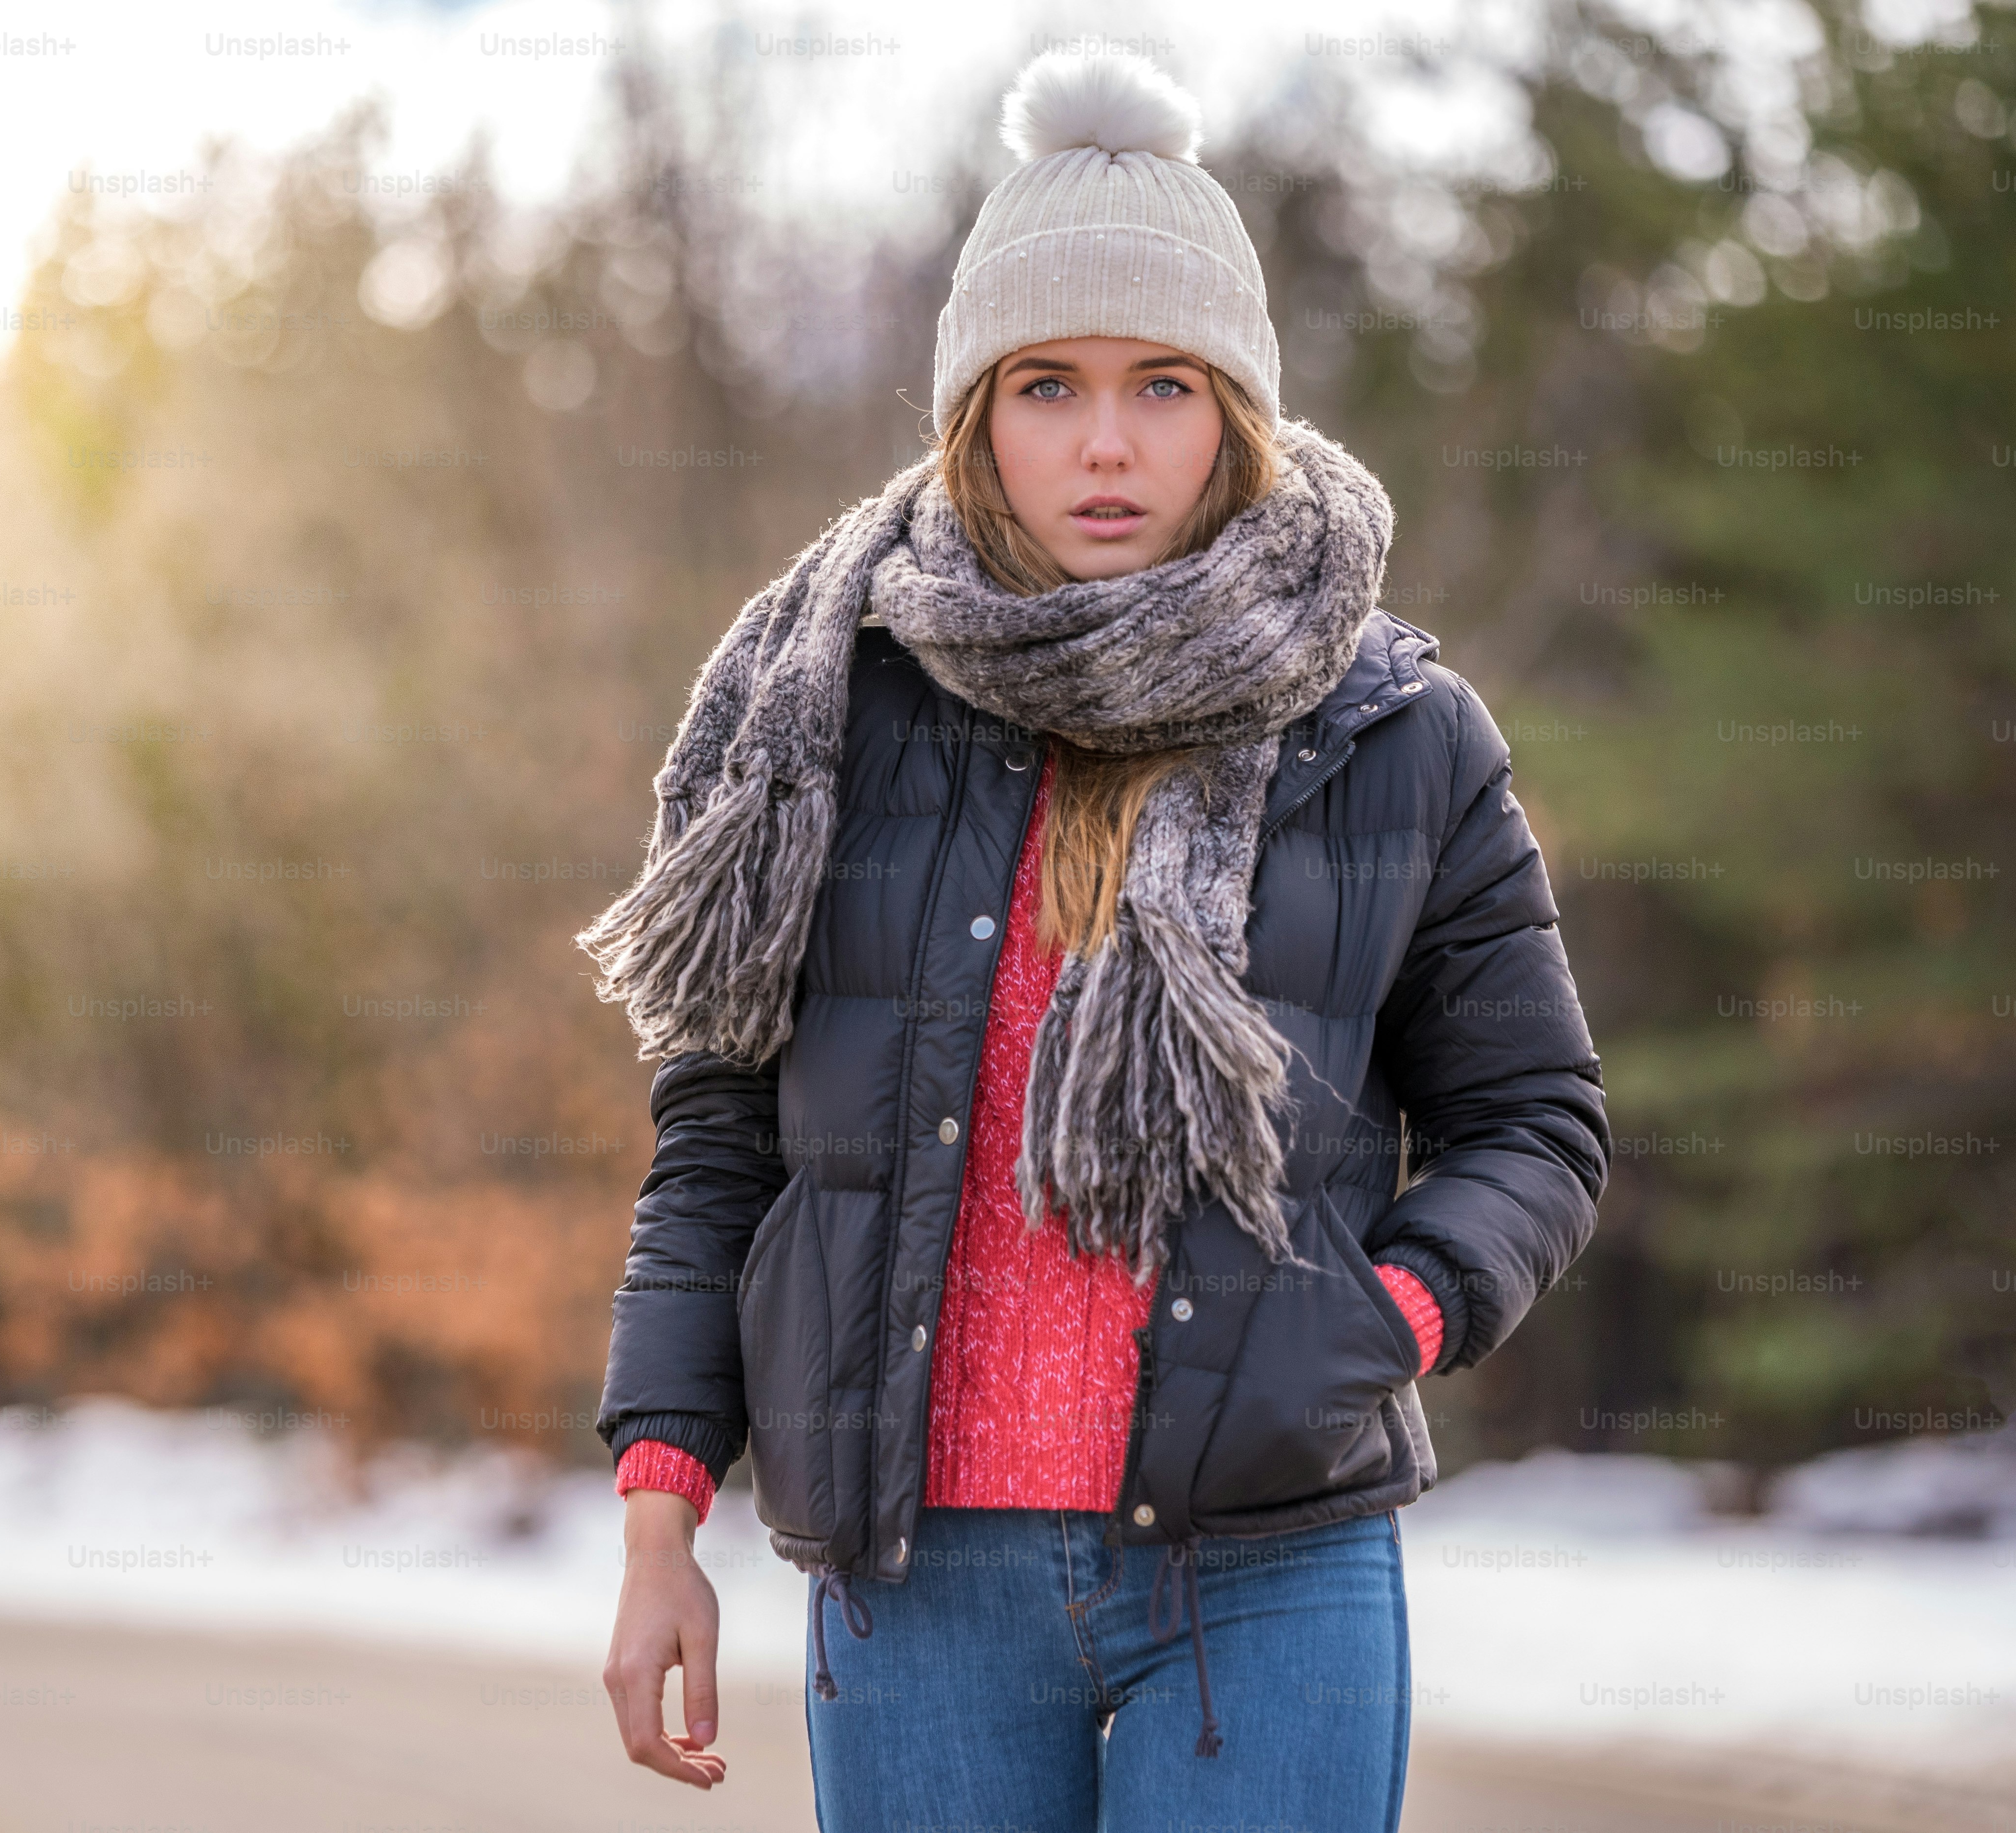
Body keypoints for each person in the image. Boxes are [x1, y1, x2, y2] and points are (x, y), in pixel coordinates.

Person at [576, 48, 1609, 1833]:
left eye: (1164, 386)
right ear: (975, 412)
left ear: (1239, 412)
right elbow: (726, 1139)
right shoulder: (826, 713)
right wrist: (663, 1506)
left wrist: (1389, 1312)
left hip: (1268, 1571)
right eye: (1048, 385)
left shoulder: (1396, 733)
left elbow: (1537, 1123)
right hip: (917, 1583)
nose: (1107, 443)